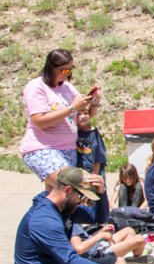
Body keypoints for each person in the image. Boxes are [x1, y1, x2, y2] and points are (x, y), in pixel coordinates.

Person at [14, 167, 135, 264]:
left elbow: (99, 218)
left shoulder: (63, 208)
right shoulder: (44, 219)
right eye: (81, 196)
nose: (83, 202)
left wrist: (102, 193)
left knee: (119, 263)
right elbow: (71, 260)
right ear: (67, 190)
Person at [20, 49, 101, 191]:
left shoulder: (68, 88)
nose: (68, 73)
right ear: (51, 67)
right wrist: (71, 107)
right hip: (43, 148)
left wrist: (93, 102)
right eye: (64, 70)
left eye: (71, 69)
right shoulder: (36, 87)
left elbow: (84, 116)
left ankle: (41, 212)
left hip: (68, 149)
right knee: (73, 186)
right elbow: (39, 120)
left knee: (57, 197)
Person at [70, 222, 149, 264]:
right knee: (140, 240)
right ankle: (136, 259)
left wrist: (101, 232)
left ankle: (123, 254)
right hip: (98, 253)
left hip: (97, 245)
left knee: (129, 231)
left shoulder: (74, 219)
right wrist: (100, 236)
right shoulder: (73, 223)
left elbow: (85, 240)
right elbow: (79, 248)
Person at [75, 111, 107, 179]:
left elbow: (98, 157)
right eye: (79, 114)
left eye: (85, 113)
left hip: (92, 172)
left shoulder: (93, 134)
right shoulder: (74, 132)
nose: (83, 116)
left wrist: (94, 175)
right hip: (79, 172)